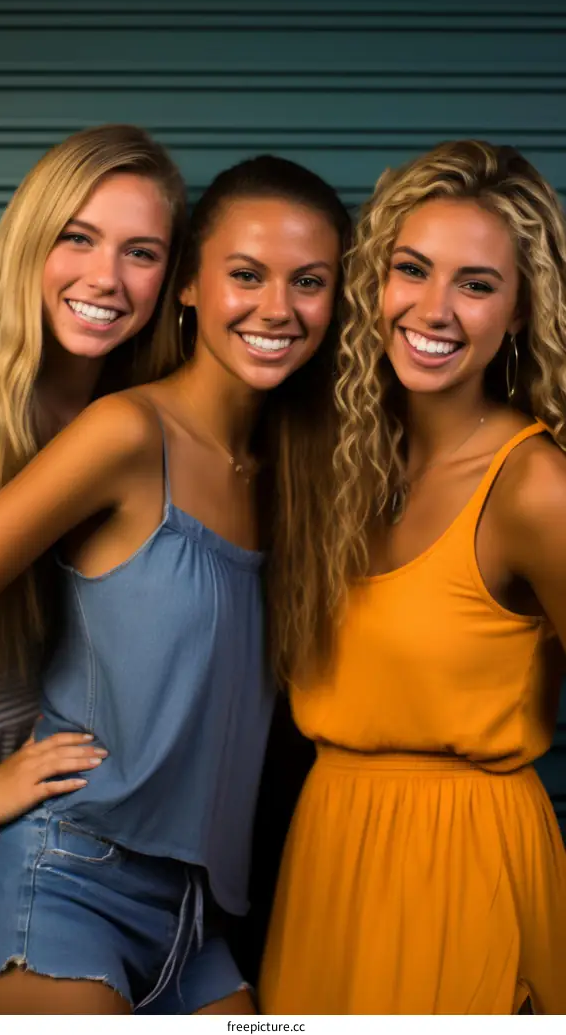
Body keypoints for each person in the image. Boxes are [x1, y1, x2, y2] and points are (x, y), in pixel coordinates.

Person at [0, 154, 350, 1015]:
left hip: (198, 923)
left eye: (310, 282)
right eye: (245, 274)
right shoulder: (126, 432)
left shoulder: (291, 470)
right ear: (188, 287)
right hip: (65, 885)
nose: (277, 308)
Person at [259, 140, 566, 1015]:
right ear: (375, 283)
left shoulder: (534, 486)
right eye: (412, 270)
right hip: (326, 861)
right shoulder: (336, 459)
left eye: (476, 284)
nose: (433, 309)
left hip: (469, 872)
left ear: (519, 312)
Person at [0, 124, 186, 859]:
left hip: (48, 832)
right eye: (78, 238)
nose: (106, 278)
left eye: (141, 253)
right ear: (30, 242)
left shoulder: (144, 424)